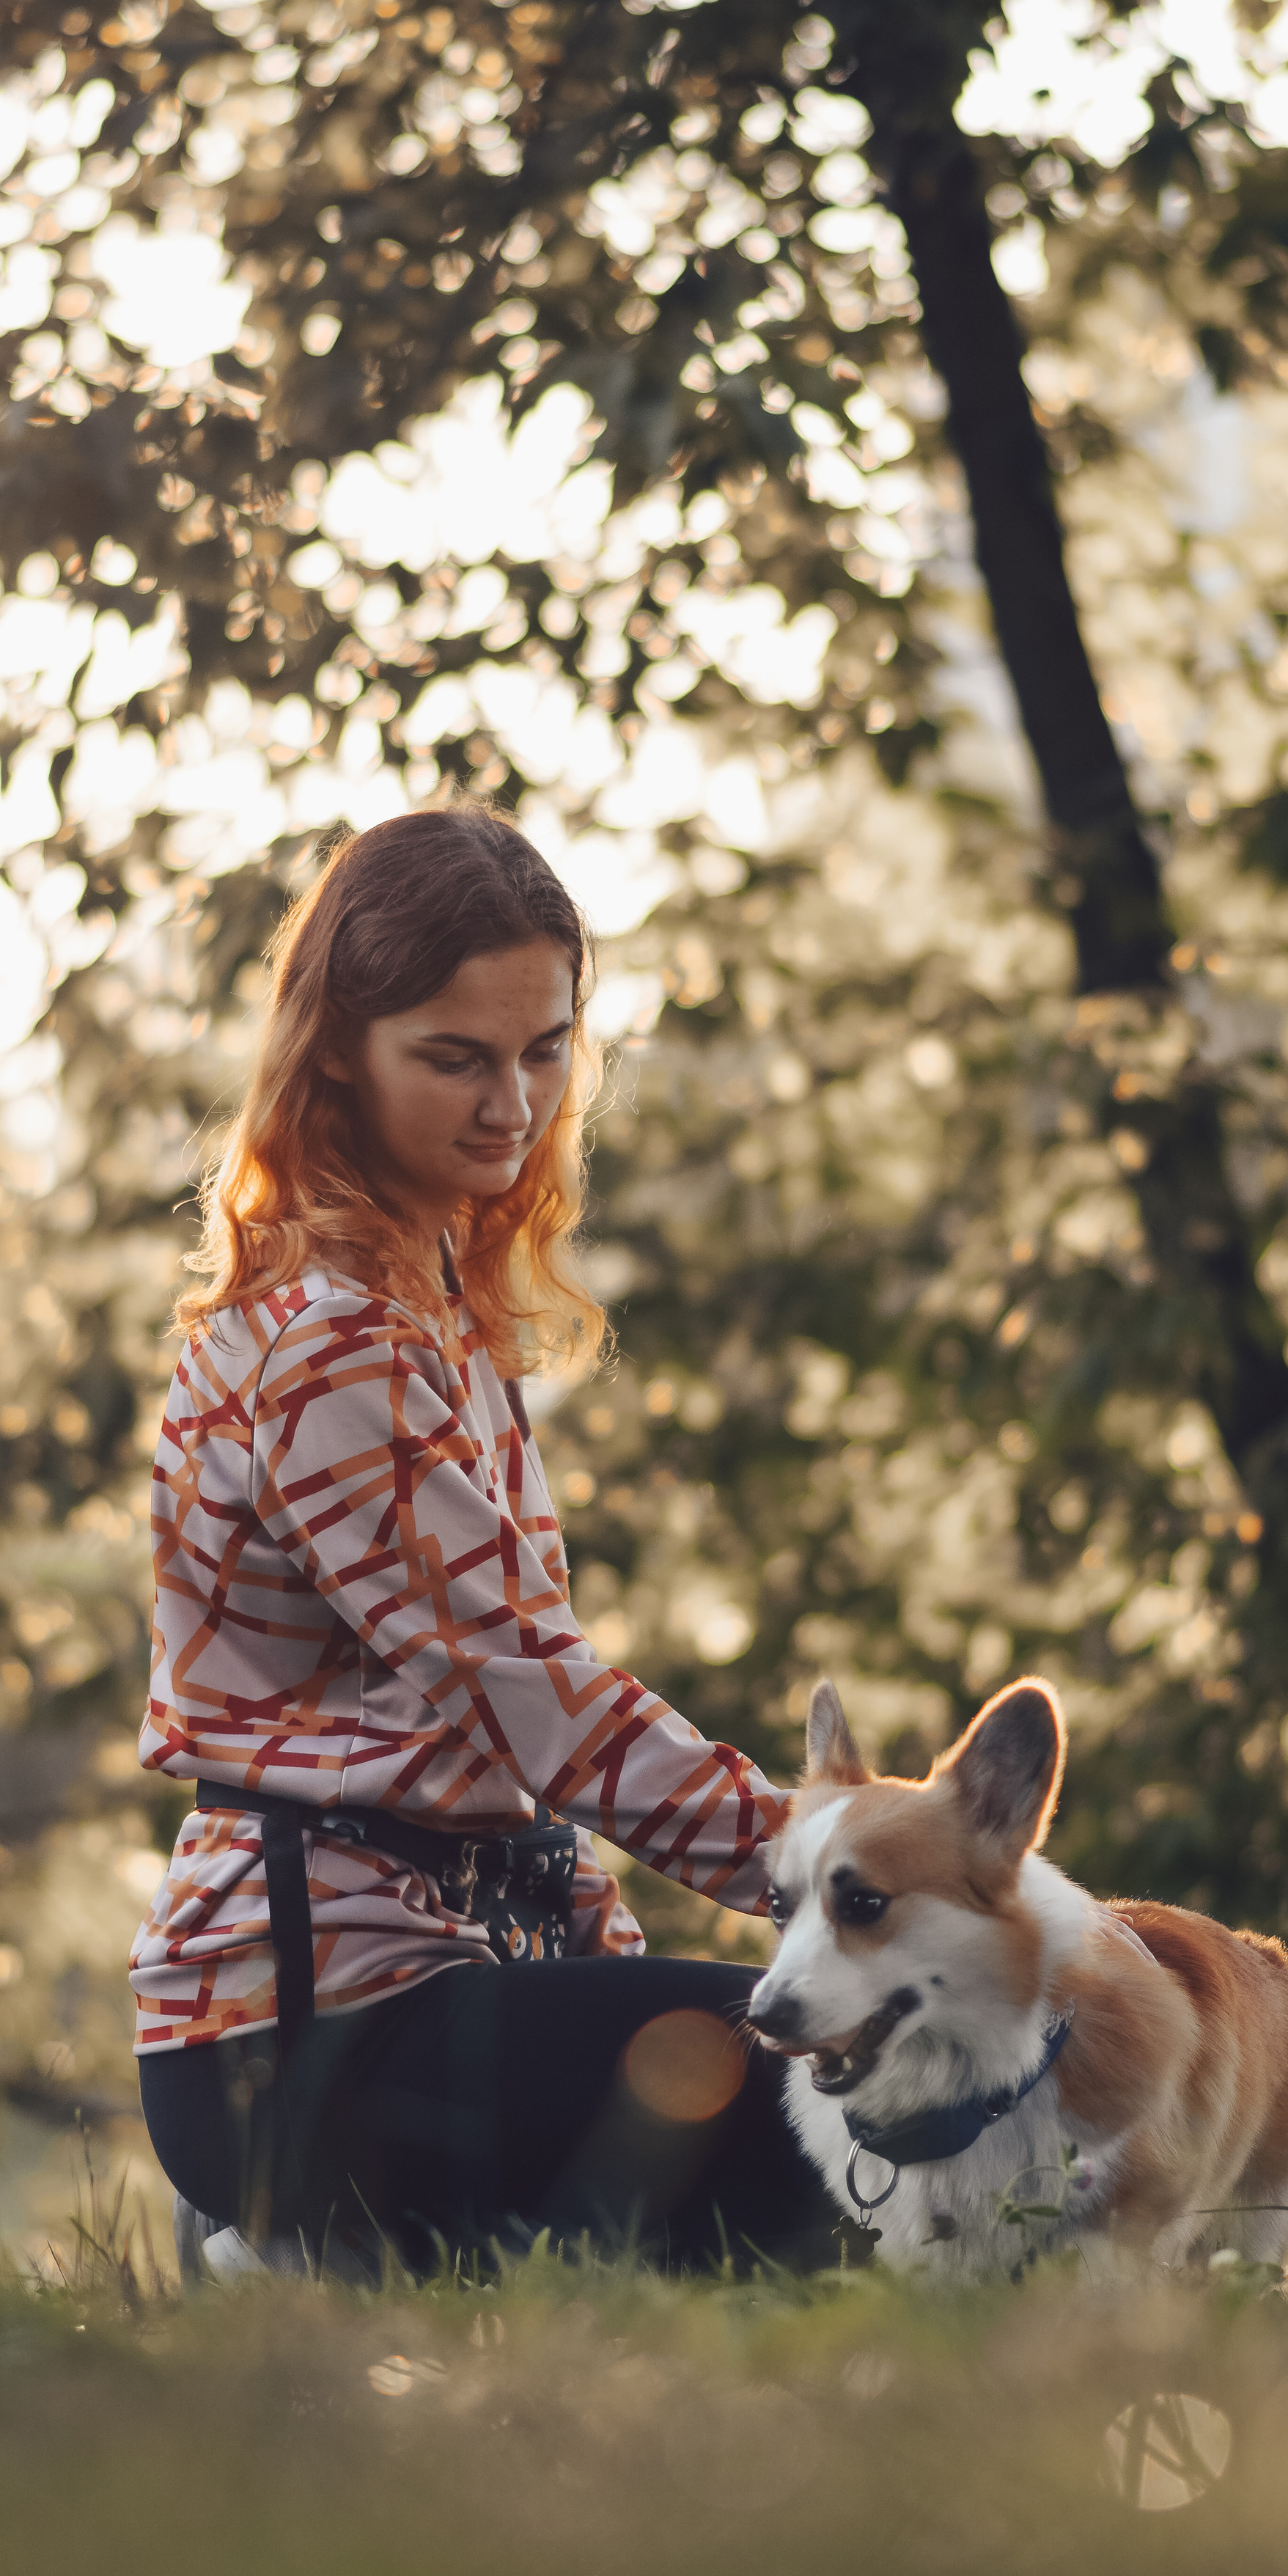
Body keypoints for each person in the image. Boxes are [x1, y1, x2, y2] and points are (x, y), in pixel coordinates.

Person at [129, 799, 833, 2282]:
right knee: (843, 2097)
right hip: (309, 2034)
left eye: (543, 1049)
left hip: (429, 1981)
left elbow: (499, 1764)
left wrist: (604, 1964)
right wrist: (847, 1874)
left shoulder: (428, 1309)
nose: (508, 1102)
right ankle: (280, 2248)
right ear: (335, 1052)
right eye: (452, 1056)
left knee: (775, 2139)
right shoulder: (335, 1351)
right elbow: (539, 1700)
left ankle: (328, 2283)